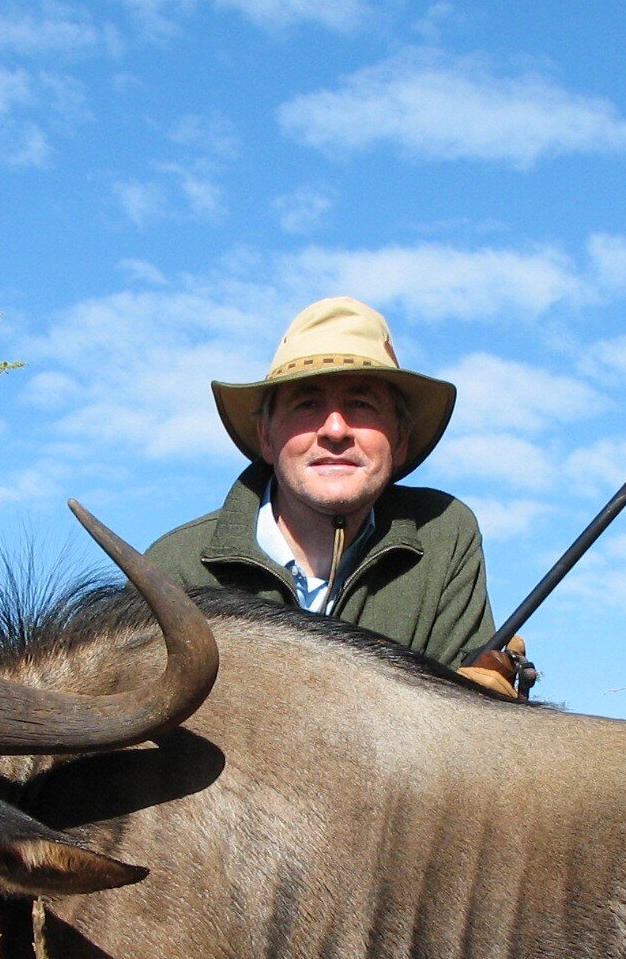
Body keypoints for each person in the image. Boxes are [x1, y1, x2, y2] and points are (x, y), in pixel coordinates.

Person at [147, 296, 532, 697]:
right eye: (307, 404)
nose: (334, 429)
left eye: (361, 404)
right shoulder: (175, 566)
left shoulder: (446, 533)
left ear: (400, 441)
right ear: (266, 436)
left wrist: (485, 710)